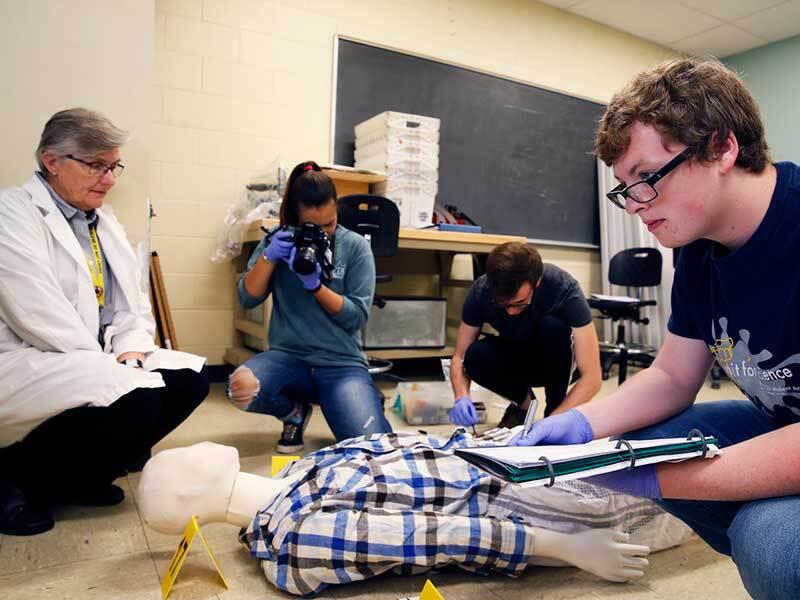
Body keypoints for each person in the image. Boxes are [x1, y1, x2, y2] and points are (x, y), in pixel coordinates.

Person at [511, 57, 800, 599]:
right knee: (647, 441)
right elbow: (672, 376)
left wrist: (658, 478)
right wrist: (579, 424)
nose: (635, 206)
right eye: (625, 188)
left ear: (721, 147)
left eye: (646, 178)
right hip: (783, 423)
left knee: (770, 542)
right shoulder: (698, 245)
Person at [138, 431, 695, 596]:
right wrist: (569, 546)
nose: (190, 447)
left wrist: (503, 437)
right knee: (684, 496)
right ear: (191, 498)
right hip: (520, 505)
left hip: (499, 458)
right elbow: (439, 535)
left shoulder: (297, 470)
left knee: (667, 444)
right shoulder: (298, 539)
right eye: (180, 461)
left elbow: (403, 443)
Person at [0, 108, 208, 537]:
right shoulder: (12, 213)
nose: (110, 179)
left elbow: (131, 305)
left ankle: (79, 477)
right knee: (135, 398)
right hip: (29, 356)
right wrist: (113, 367)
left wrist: (130, 351)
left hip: (95, 354)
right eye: (96, 165)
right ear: (52, 161)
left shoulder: (104, 222)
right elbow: (37, 315)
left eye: (114, 166)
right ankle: (14, 480)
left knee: (189, 381)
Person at [228, 161, 392, 453]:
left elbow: (355, 317)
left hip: (340, 363)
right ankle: (293, 412)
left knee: (372, 449)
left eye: (330, 223)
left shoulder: (355, 246)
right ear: (296, 218)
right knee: (241, 388)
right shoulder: (279, 241)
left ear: (336, 208)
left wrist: (316, 287)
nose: (324, 233)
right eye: (314, 227)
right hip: (289, 358)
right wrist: (269, 257)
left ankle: (361, 395)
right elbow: (247, 298)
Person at [450, 241, 602, 429]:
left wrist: (554, 420)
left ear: (537, 282)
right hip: (515, 356)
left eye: (520, 303)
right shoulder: (481, 291)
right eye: (504, 305)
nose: (512, 312)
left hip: (554, 361)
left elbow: (592, 378)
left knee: (553, 326)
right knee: (474, 355)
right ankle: (523, 406)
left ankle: (554, 410)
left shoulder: (563, 287)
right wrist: (461, 396)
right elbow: (459, 357)